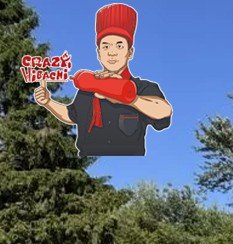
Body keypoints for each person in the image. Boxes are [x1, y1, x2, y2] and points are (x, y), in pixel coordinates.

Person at [34, 4, 172, 157]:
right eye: (105, 47)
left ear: (130, 52)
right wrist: (48, 102)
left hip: (129, 162)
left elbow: (164, 111)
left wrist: (127, 98)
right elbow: (70, 115)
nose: (112, 52)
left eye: (119, 46)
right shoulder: (87, 89)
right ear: (99, 53)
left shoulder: (144, 88)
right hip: (88, 160)